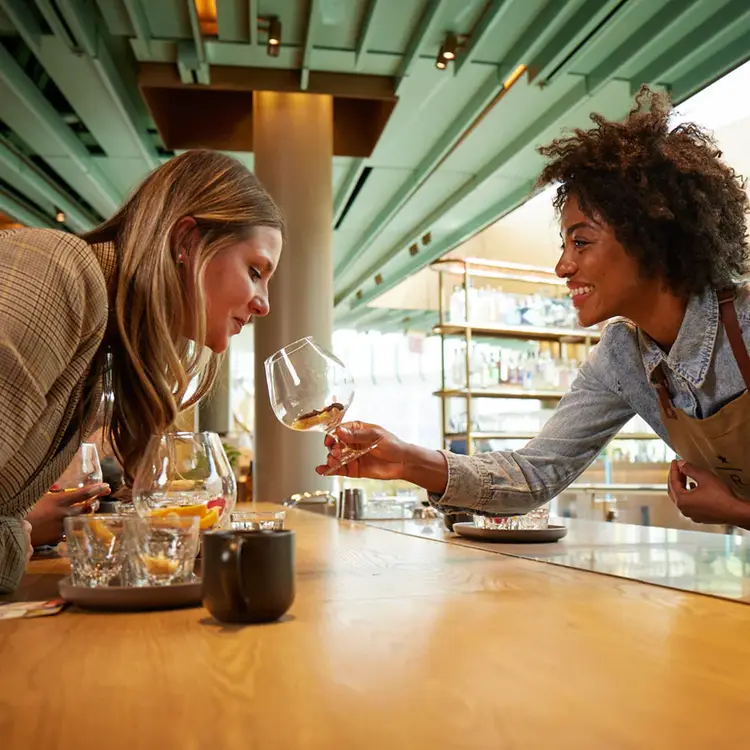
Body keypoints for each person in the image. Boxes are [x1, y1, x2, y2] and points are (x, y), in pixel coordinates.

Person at [318, 87, 750, 530]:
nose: (563, 266)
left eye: (581, 242)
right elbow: (534, 474)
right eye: (565, 245)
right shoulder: (623, 356)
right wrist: (408, 460)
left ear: (653, 240)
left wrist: (736, 511)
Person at [0, 150, 284, 592]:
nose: (264, 303)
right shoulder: (56, 272)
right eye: (255, 271)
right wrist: (18, 532)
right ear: (186, 242)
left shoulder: (101, 344)